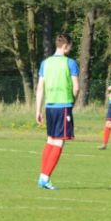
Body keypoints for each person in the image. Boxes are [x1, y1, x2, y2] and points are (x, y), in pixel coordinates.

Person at [34, 33, 80, 190]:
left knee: (50, 140)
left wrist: (38, 110)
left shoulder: (45, 63)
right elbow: (76, 87)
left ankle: (42, 176)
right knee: (59, 141)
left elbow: (40, 88)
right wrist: (73, 102)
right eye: (70, 47)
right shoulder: (70, 63)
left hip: (49, 107)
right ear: (65, 46)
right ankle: (45, 178)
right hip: (63, 105)